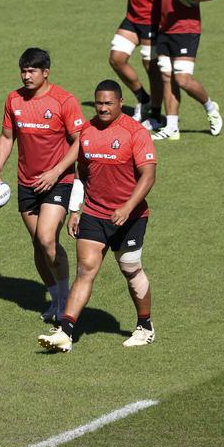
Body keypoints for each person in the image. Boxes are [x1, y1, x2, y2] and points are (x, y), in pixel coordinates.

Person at [38, 81, 156, 352]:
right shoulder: (87, 131)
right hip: (94, 213)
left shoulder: (135, 133)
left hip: (131, 216)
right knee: (86, 269)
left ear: (120, 102)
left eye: (108, 104)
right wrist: (76, 209)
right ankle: (66, 331)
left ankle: (145, 326)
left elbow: (148, 176)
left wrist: (127, 207)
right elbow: (81, 173)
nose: (102, 108)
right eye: (99, 103)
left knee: (130, 268)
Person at [0, 48, 85, 323]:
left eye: (32, 71)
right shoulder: (14, 99)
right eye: (23, 70)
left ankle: (66, 300)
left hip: (58, 180)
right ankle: (55, 298)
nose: (26, 76)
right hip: (27, 182)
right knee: (38, 245)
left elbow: (80, 141)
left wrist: (56, 172)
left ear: (46, 72)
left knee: (46, 237)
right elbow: (7, 137)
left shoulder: (63, 101)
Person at [148, 0, 223, 141]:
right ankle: (172, 127)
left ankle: (210, 108)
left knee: (183, 80)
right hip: (164, 29)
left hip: (186, 30)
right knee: (166, 76)